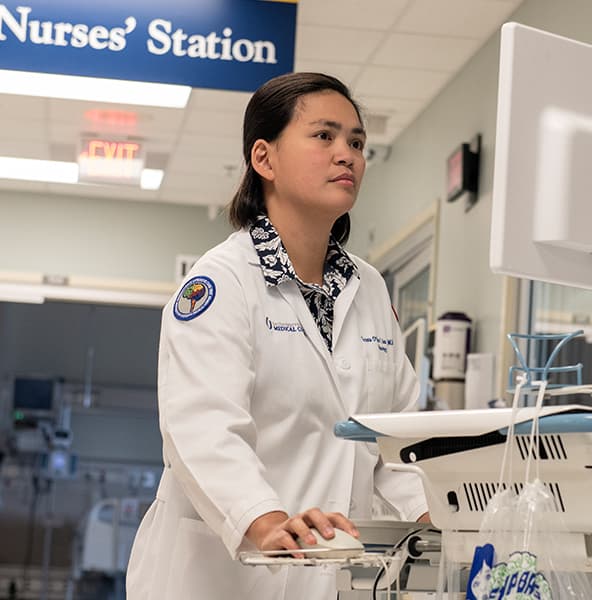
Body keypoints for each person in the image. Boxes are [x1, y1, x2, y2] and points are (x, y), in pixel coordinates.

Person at [126, 72, 429, 600]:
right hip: (221, 578)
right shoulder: (222, 282)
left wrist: (440, 519)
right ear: (264, 160)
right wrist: (263, 521)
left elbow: (395, 441)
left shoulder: (370, 289)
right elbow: (202, 426)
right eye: (324, 136)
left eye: (357, 142)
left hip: (329, 576)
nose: (347, 155)